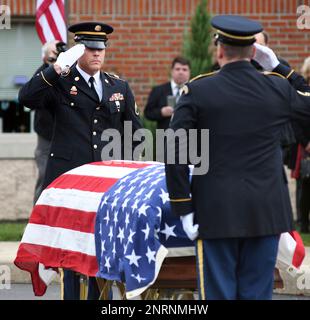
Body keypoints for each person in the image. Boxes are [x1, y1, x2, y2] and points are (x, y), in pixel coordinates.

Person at [165, 15, 310, 300]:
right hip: (266, 211)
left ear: (219, 50)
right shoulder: (278, 88)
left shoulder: (197, 91)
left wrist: (182, 206)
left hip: (216, 210)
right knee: (257, 293)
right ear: (255, 52)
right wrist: (281, 68)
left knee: (219, 294)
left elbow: (175, 151)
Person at [19, 22, 142, 300]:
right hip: (70, 184)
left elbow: (135, 135)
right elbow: (26, 97)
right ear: (77, 51)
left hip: (106, 185)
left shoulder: (117, 85)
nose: (97, 54)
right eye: (89, 48)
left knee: (102, 252)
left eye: (101, 49)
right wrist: (54, 68)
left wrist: (126, 171)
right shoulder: (60, 82)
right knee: (73, 255)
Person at [32, 40, 66, 204]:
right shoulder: (42, 73)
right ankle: (36, 220)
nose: (56, 54)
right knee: (45, 178)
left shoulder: (66, 71)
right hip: (46, 136)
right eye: (53, 52)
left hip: (65, 136)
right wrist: (52, 66)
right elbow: (32, 93)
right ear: (45, 56)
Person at [144, 56, 191, 130]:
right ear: (172, 71)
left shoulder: (194, 91)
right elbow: (148, 113)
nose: (181, 72)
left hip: (189, 136)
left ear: (189, 72)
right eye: (177, 69)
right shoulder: (158, 90)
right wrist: (161, 112)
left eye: (184, 69)